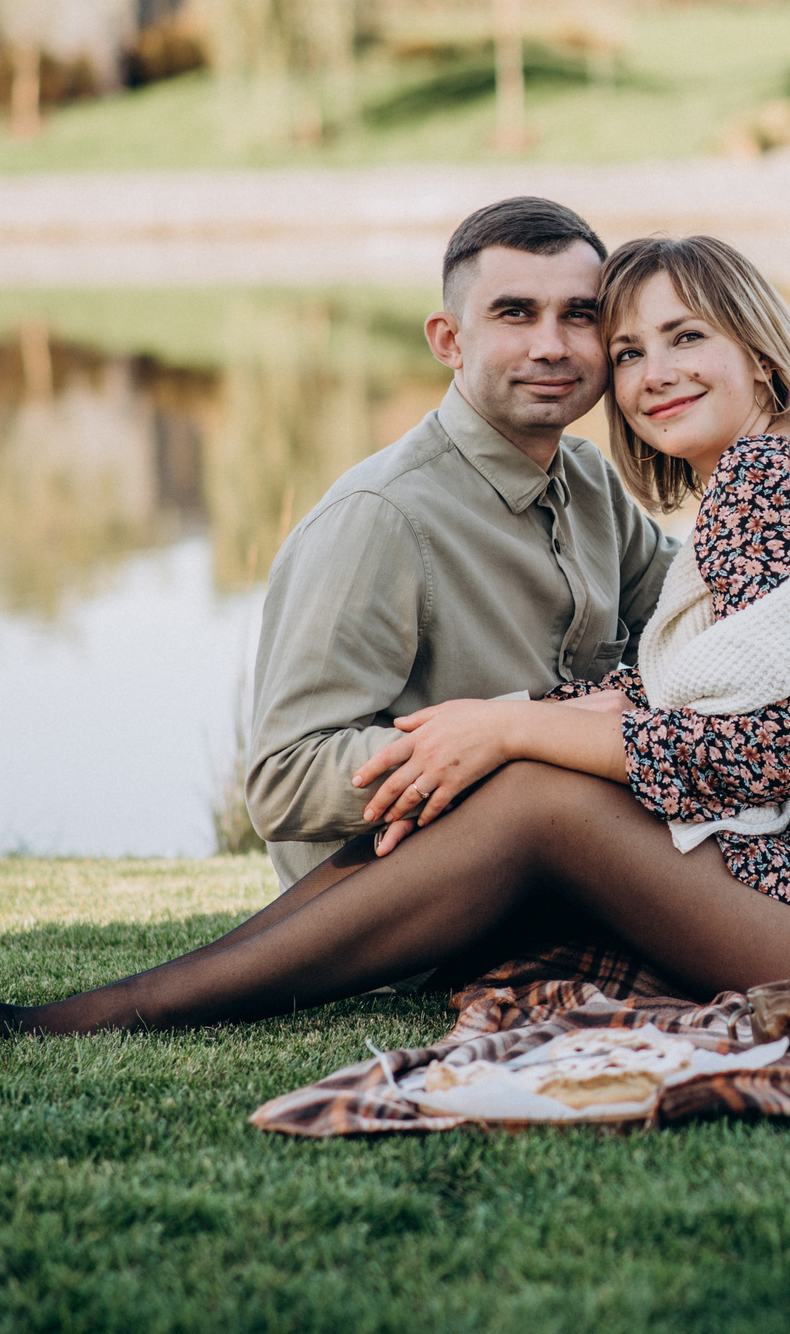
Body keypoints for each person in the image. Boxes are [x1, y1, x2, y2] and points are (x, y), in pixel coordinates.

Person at [0, 235, 790, 1035]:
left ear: (757, 351)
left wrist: (503, 731)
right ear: (449, 338)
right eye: (629, 352)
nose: (651, 374)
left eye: (684, 338)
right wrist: (482, 739)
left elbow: (756, 758)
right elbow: (701, 697)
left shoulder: (772, 477)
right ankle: (151, 996)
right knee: (509, 771)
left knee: (537, 795)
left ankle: (142, 1004)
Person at [239, 196, 676, 890]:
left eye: (579, 315)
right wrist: (516, 732)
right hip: (404, 904)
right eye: (515, 313)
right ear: (448, 340)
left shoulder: (590, 479)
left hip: (563, 864)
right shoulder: (380, 517)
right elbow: (283, 779)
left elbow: (696, 619)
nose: (552, 346)